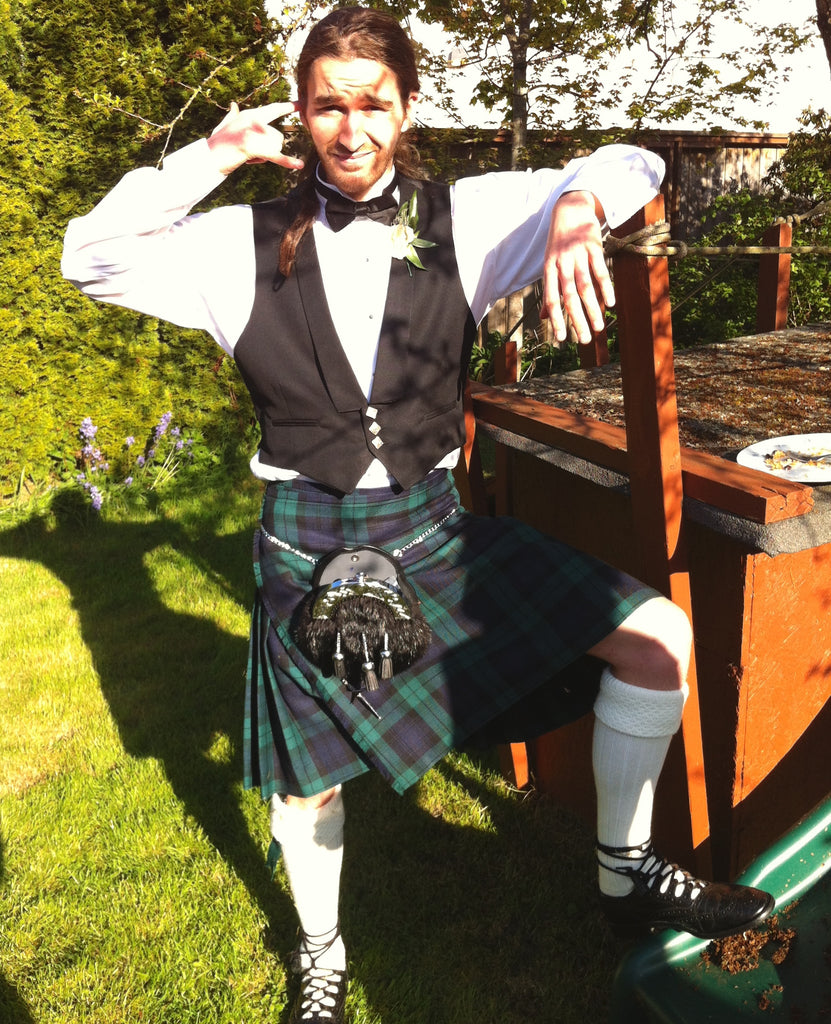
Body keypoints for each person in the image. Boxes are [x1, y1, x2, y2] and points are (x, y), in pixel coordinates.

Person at [62, 8, 774, 1022]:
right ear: (303, 112)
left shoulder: (472, 218)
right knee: (305, 783)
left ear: (406, 109)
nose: (349, 130)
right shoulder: (235, 245)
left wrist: (577, 209)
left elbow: (638, 159)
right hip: (307, 542)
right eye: (327, 106)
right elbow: (86, 257)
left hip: (435, 534)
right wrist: (206, 159)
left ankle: (623, 872)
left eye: (372, 104)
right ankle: (320, 952)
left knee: (659, 637)